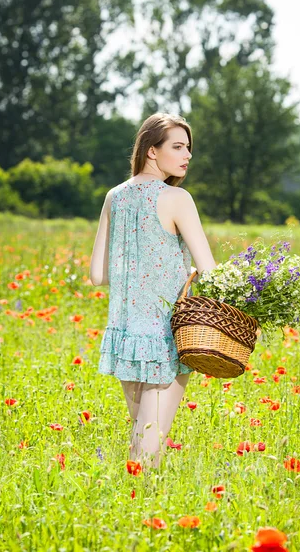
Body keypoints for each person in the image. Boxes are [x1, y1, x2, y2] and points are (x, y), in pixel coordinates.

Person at [89, 112, 217, 470]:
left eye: (188, 148)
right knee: (146, 454)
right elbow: (209, 271)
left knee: (142, 441)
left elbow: (97, 274)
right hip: (165, 339)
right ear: (151, 151)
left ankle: (130, 513)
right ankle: (139, 517)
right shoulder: (177, 198)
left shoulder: (114, 197)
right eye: (177, 146)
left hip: (126, 339)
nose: (187, 155)